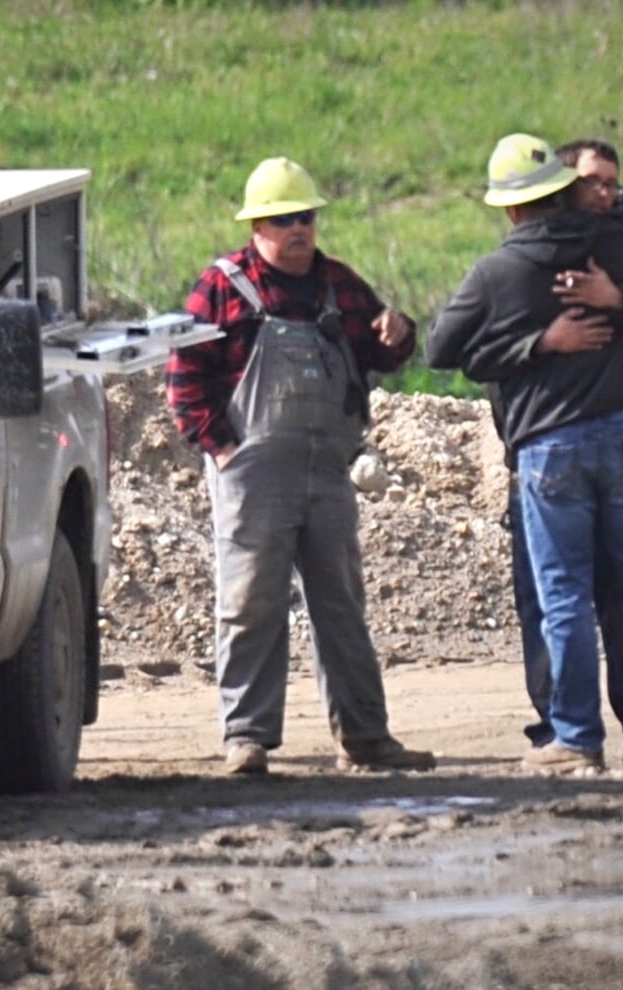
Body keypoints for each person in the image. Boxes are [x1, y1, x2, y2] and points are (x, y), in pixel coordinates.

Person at [427, 132, 623, 772]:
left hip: (550, 446)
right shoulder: (616, 242)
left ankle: (577, 740)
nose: (607, 194)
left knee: (561, 597)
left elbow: (443, 350)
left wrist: (535, 344)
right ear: (565, 189)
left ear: (507, 207)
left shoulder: (498, 271)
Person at [168, 156, 436, 775]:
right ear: (256, 227)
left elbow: (382, 351)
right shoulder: (221, 287)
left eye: (306, 217)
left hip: (326, 470)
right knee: (250, 603)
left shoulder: (338, 284)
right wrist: (224, 449)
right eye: (283, 219)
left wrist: (399, 333)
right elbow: (184, 378)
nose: (298, 230)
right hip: (253, 474)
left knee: (340, 603)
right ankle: (248, 737)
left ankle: (366, 738)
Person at [504, 138, 623, 769]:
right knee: (551, 600)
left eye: (613, 182)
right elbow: (473, 350)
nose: (604, 194)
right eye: (591, 182)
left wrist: (621, 301)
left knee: (614, 599)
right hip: (540, 445)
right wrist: (541, 343)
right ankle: (561, 728)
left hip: (601, 441)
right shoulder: (526, 259)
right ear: (558, 188)